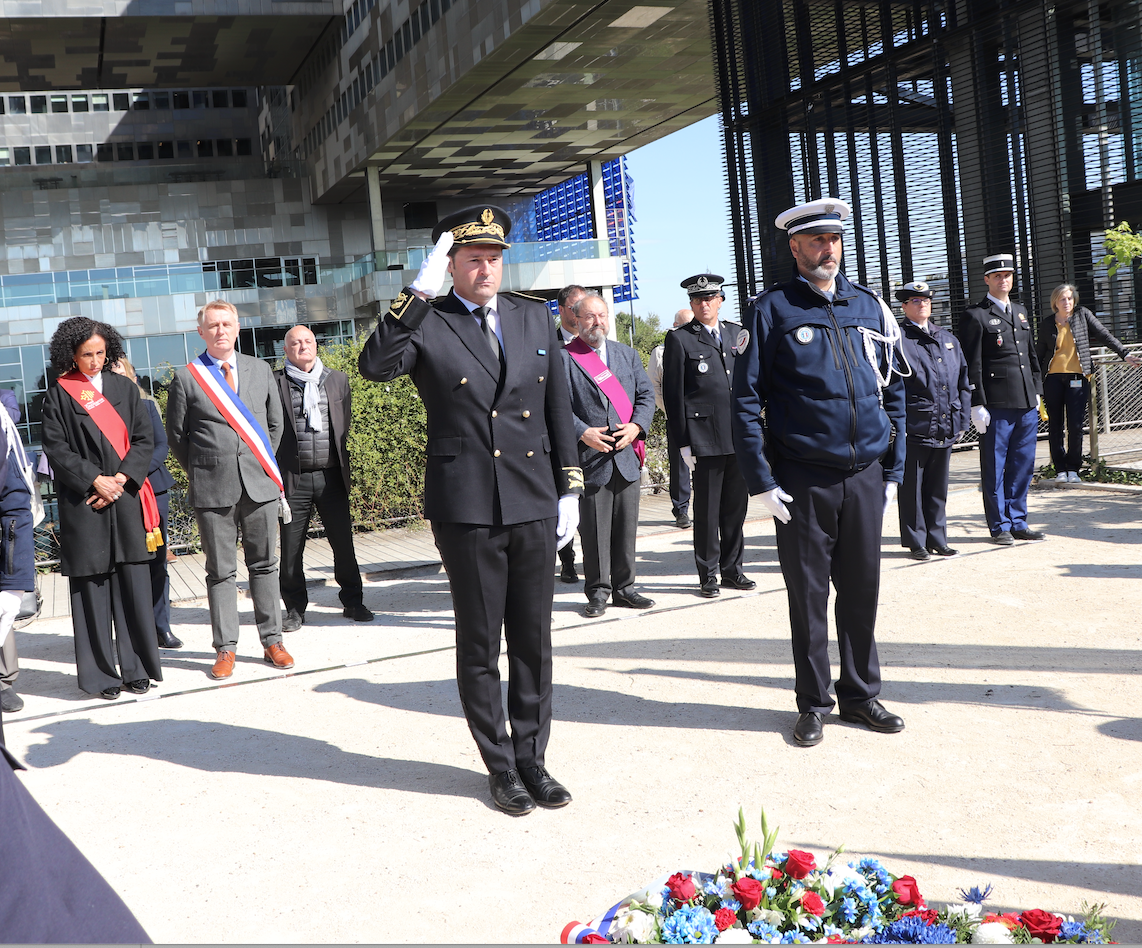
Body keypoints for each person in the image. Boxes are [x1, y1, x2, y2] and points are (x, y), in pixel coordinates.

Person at [358, 205, 583, 816]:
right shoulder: (429, 321)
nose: (486, 268)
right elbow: (373, 366)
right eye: (472, 258)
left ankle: (534, 760)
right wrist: (417, 293)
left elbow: (557, 401)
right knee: (482, 641)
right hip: (469, 505)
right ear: (450, 264)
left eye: (494, 257)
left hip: (534, 496)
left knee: (534, 638)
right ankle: (501, 765)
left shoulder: (533, 315)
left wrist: (569, 485)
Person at [732, 198, 907, 748]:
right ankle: (813, 702)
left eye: (833, 239)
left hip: (864, 474)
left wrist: (893, 466)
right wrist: (761, 480)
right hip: (803, 478)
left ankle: (860, 695)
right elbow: (745, 401)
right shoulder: (773, 310)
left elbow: (893, 384)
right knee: (808, 596)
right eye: (815, 241)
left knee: (861, 590)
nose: (826, 249)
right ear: (794, 248)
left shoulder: (868, 304)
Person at [165, 300, 294, 680]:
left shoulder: (260, 369)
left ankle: (273, 640)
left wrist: (255, 463)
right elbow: (177, 437)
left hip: (260, 485)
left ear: (238, 328)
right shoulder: (187, 377)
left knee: (265, 565)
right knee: (220, 572)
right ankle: (225, 649)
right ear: (201, 332)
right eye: (213, 325)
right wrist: (207, 468)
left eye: (227, 323)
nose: (221, 330)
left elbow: (275, 426)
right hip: (212, 488)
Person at [40, 318, 163, 700]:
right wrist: (95, 479)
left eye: (100, 353)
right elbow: (56, 449)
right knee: (92, 589)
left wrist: (122, 479)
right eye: (86, 355)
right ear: (71, 356)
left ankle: (136, 667)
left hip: (124, 501)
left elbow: (144, 441)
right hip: (85, 504)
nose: (95, 361)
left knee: (132, 585)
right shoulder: (59, 395)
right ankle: (101, 675)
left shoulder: (125, 389)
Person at [562, 291, 656, 618]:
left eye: (601, 315)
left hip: (625, 458)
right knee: (595, 531)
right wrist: (582, 432)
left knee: (626, 528)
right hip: (589, 460)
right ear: (576, 319)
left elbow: (646, 397)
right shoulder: (564, 358)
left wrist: (636, 427)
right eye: (589, 316)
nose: (597, 322)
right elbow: (555, 407)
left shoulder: (627, 355)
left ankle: (625, 588)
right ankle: (598, 592)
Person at [275, 325, 373, 630]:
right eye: (295, 343)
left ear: (316, 345)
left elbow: (344, 426)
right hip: (294, 481)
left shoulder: (337, 380)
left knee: (344, 545)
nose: (303, 346)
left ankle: (354, 602)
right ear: (286, 350)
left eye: (308, 341)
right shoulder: (276, 382)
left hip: (332, 478)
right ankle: (294, 609)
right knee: (291, 550)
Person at [664, 275, 753, 597]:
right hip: (704, 438)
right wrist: (683, 443)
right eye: (698, 299)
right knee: (707, 512)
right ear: (691, 304)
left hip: (737, 437)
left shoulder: (736, 333)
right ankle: (709, 574)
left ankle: (733, 570)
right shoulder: (680, 339)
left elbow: (748, 384)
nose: (704, 303)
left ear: (720, 300)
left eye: (710, 297)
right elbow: (674, 398)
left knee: (735, 509)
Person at [958, 254, 1045, 545]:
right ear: (986, 280)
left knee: (1023, 464)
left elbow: (1031, 357)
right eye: (997, 276)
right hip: (995, 404)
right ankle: (999, 526)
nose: (1003, 280)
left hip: (1025, 402)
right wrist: (976, 402)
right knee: (995, 466)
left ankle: (1018, 520)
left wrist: (1037, 391)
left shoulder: (1020, 311)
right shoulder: (976, 315)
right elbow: (972, 362)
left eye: (1007, 275)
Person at [894, 281, 971, 559]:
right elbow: (893, 387)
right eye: (915, 301)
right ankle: (917, 542)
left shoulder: (948, 339)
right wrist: (897, 425)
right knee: (912, 489)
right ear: (904, 306)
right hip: (915, 426)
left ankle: (938, 539)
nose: (922, 304)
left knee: (938, 489)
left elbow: (963, 382)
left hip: (945, 424)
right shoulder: (898, 339)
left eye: (925, 300)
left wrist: (962, 421)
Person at [1036, 284, 1142, 482]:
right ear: (1055, 303)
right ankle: (1060, 470)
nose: (1067, 302)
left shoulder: (1083, 315)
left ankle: (1073, 469)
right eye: (1062, 299)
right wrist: (1034, 382)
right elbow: (1039, 354)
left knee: (1076, 425)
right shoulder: (1047, 324)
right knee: (1055, 426)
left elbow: (1104, 335)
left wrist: (1125, 354)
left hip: (1078, 377)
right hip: (1052, 379)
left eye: (1069, 298)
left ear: (1074, 300)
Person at [110, 358, 182, 650]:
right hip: (116, 493)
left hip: (152, 490)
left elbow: (161, 445)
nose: (115, 374)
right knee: (124, 564)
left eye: (119, 369)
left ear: (131, 375)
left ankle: (161, 626)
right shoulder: (99, 412)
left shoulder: (148, 406)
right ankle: (130, 630)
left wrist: (132, 473)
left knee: (157, 561)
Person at [0, 389, 35, 717]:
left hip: (7, 522)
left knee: (6, 605)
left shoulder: (3, 407)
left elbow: (13, 488)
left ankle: (3, 681)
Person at [648, 308, 695, 529]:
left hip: (701, 418)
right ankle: (681, 510)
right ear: (674, 326)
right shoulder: (661, 352)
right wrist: (671, 412)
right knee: (679, 466)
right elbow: (655, 387)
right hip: (676, 417)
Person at [554, 284, 588, 584]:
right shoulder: (547, 343)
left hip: (594, 442)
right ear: (562, 310)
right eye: (576, 307)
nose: (581, 314)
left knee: (591, 509)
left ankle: (598, 566)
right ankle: (567, 561)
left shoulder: (596, 343)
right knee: (563, 502)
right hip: (560, 441)